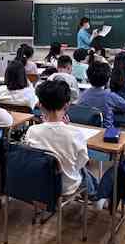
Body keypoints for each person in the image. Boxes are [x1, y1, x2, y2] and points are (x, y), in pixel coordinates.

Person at [26, 80, 111, 208]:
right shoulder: (75, 134)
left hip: (40, 182)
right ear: (67, 105)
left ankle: (96, 195)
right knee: (81, 171)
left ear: (40, 106)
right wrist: (66, 128)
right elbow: (81, 162)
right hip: (65, 187)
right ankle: (96, 196)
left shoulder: (32, 131)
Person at [78, 62, 125, 128]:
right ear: (108, 79)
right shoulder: (110, 96)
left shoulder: (83, 94)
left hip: (88, 129)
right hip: (107, 131)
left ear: (88, 78)